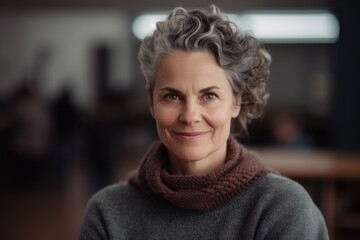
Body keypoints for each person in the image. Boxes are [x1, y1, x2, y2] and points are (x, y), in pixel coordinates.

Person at [79, 5, 329, 240]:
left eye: (209, 96)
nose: (189, 116)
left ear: (236, 103)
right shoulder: (107, 213)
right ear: (151, 102)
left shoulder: (282, 208)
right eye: (172, 96)